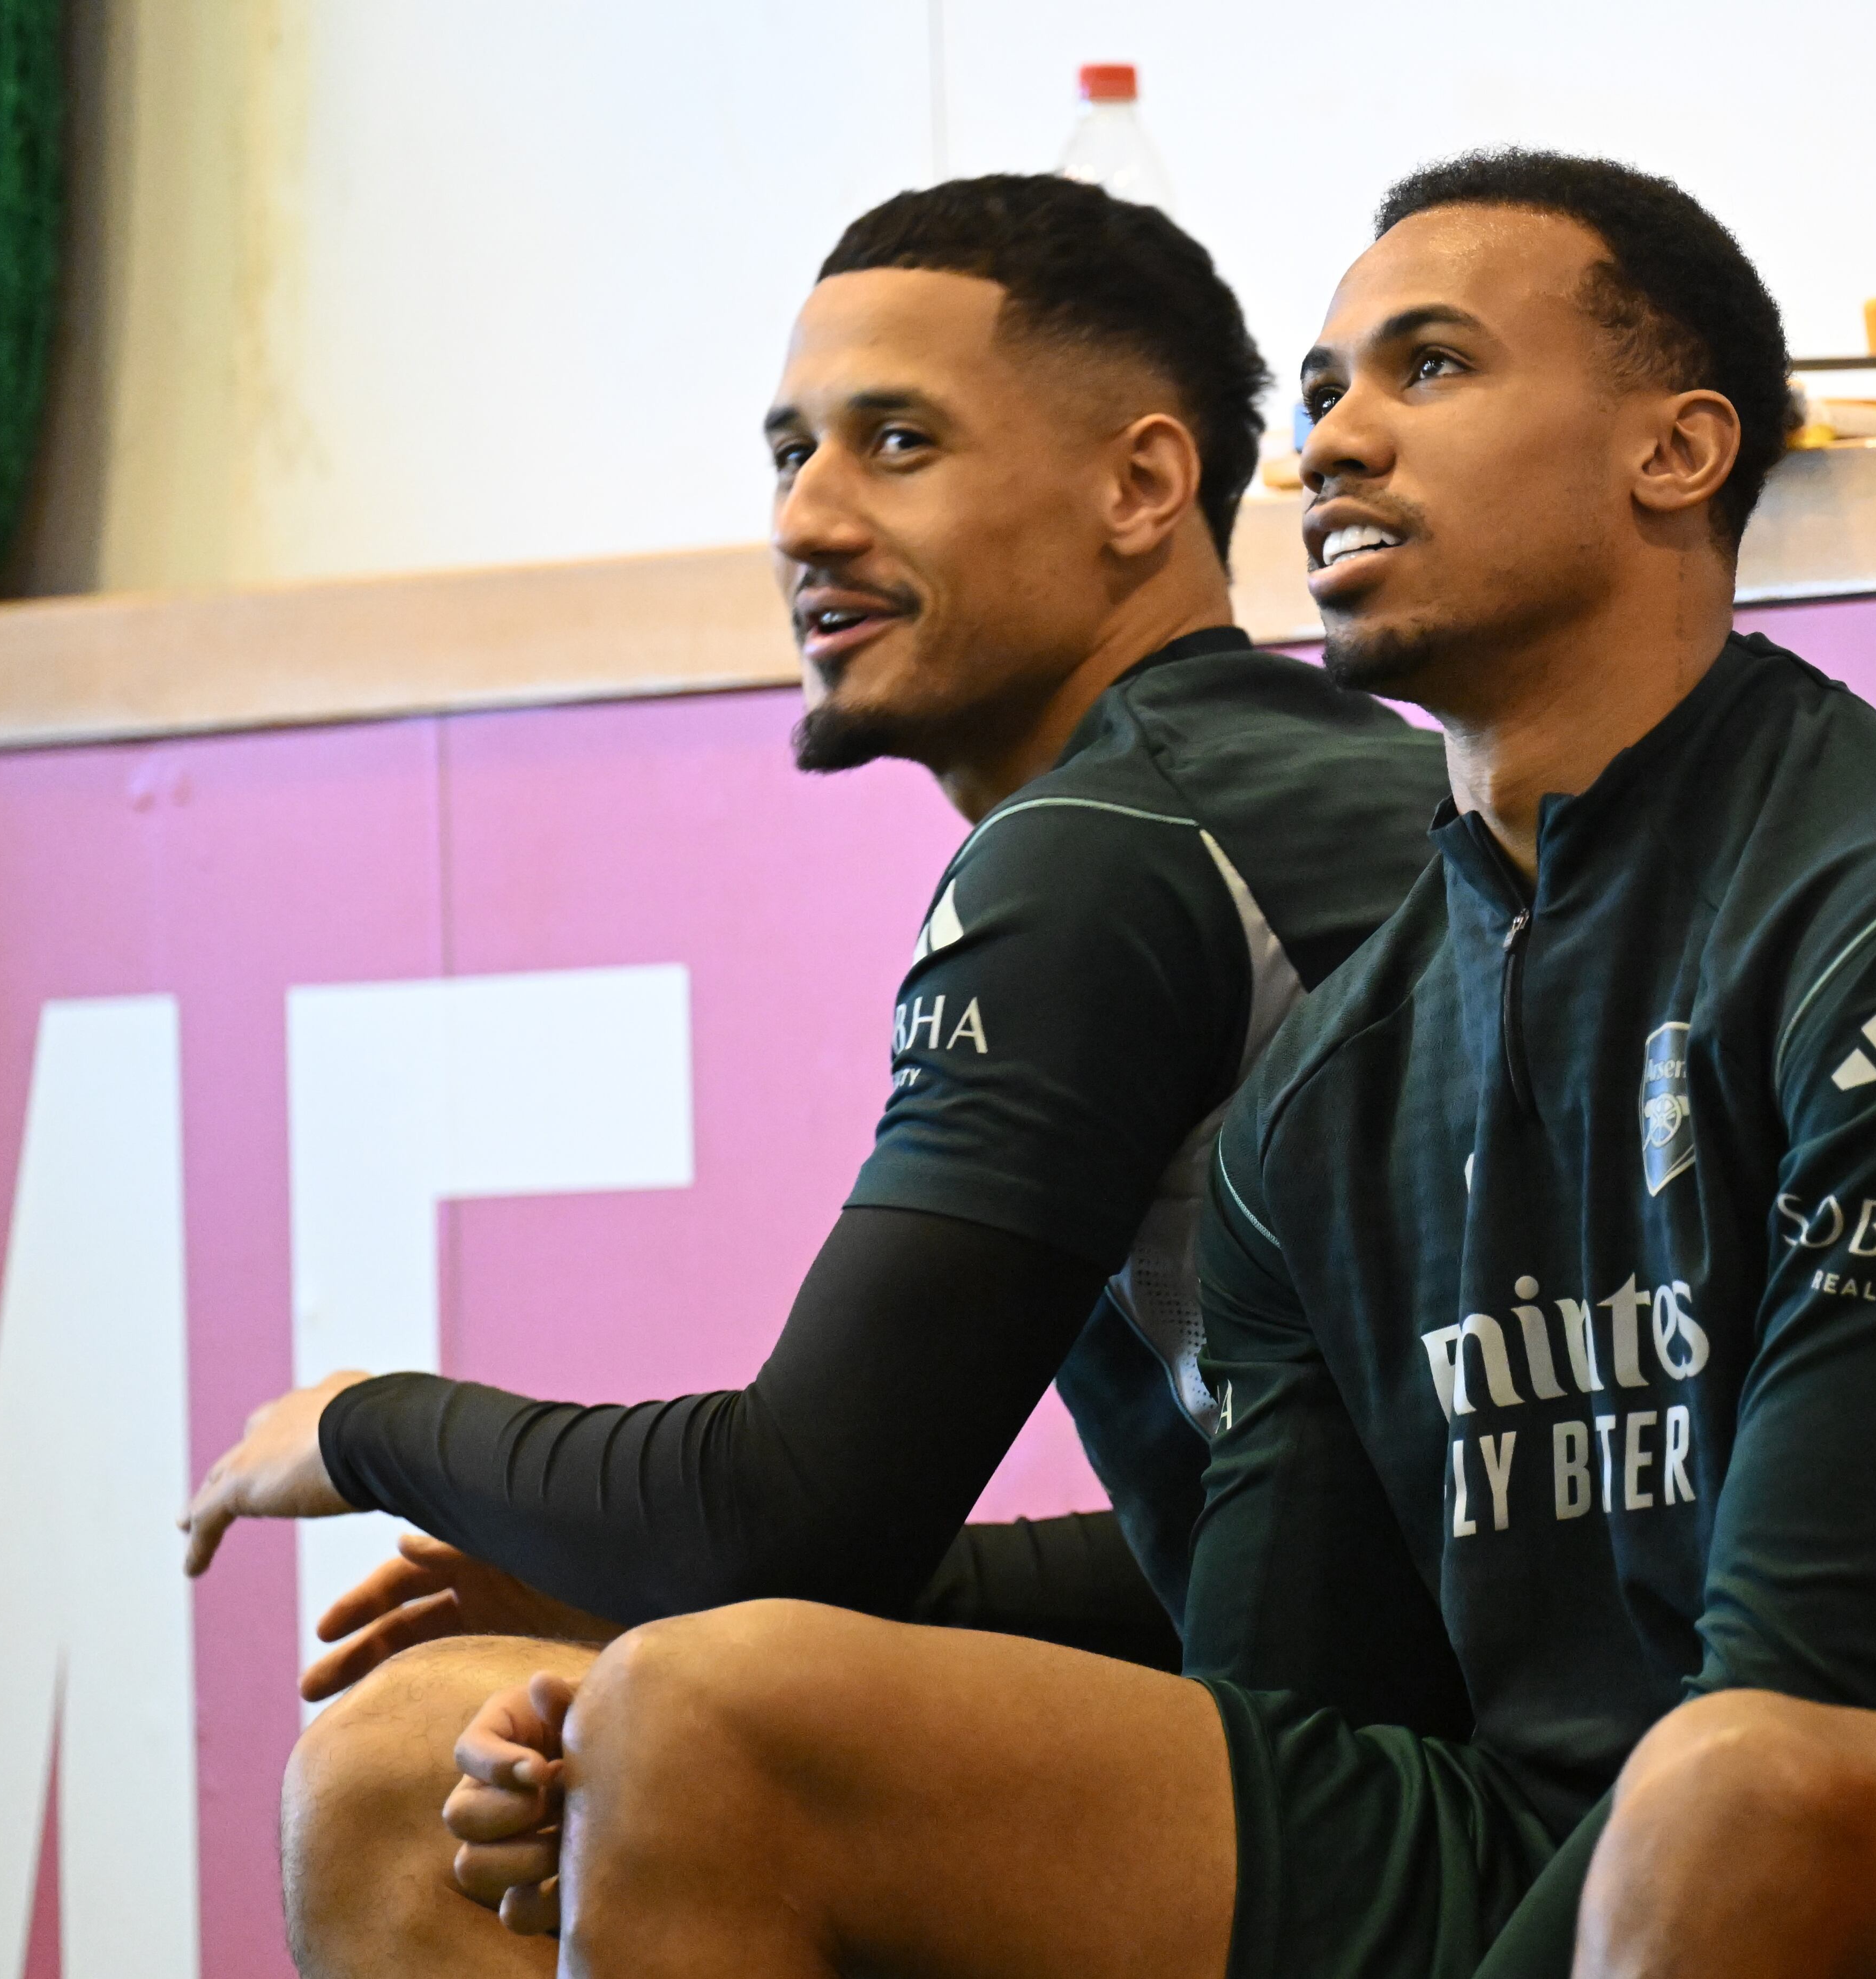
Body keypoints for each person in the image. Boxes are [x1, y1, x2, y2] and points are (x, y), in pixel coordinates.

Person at [424, 151, 1876, 1979]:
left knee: (1730, 1790)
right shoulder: (1328, 1084)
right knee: (669, 1723)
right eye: (1327, 389)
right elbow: (1280, 1719)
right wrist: (714, 1704)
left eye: (1430, 369)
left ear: (1677, 450)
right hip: (1535, 1832)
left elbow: (1808, 1678)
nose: (1334, 441)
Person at [187, 174, 1449, 1977]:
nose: (808, 517)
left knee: (416, 1762)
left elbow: (789, 1513)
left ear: (1143, 486)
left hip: (1433, 1796)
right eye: (790, 453)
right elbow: (1283, 1531)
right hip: (1433, 1719)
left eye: (898, 443)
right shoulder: (1326, 777)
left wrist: (368, 1426)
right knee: (597, 1693)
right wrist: (655, 1593)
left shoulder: (1105, 850)